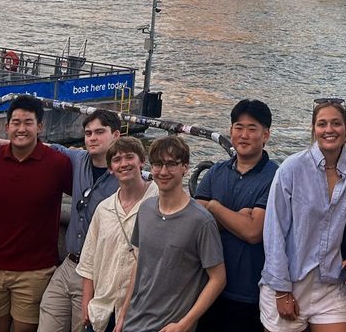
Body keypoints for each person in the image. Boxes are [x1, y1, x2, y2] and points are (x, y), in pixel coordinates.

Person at [260, 99, 346, 332]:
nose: (329, 130)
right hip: (290, 282)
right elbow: (274, 230)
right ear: (314, 130)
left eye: (336, 123)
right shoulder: (291, 168)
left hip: (330, 283)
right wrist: (281, 290)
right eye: (322, 124)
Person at [0, 96, 73, 332]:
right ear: (6, 126)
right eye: (16, 122)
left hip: (36, 270)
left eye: (28, 123)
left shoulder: (58, 163)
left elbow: (85, 199)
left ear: (40, 127)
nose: (21, 129)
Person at [116, 136, 225, 332]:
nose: (163, 171)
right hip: (134, 321)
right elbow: (140, 263)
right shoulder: (146, 209)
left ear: (185, 167)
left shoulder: (201, 221)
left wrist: (185, 324)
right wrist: (124, 312)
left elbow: (218, 278)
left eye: (171, 164)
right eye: (158, 164)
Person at [196, 99, 278, 332]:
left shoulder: (275, 177)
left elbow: (253, 232)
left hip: (248, 290)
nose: (244, 135)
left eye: (252, 129)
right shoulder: (217, 171)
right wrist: (234, 216)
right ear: (230, 131)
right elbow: (195, 222)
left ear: (266, 134)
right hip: (208, 284)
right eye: (238, 128)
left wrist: (214, 208)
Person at [40, 110, 123, 332]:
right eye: (88, 133)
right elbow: (44, 148)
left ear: (116, 135)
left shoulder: (125, 175)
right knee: (47, 321)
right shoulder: (79, 159)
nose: (92, 138)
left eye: (99, 132)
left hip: (98, 274)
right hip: (69, 264)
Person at [77, 137, 157, 332]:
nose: (124, 164)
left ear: (141, 161)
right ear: (110, 168)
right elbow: (89, 260)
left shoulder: (158, 202)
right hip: (103, 309)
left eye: (130, 157)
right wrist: (87, 302)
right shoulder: (104, 209)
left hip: (141, 312)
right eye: (117, 160)